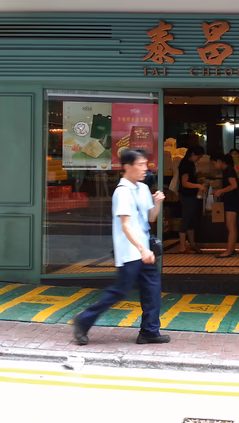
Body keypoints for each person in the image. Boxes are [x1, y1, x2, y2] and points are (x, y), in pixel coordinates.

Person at [72, 148, 169, 345]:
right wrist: (142, 249)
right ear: (127, 167)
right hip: (130, 252)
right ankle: (83, 320)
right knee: (119, 291)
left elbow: (151, 218)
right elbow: (126, 226)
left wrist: (157, 202)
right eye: (141, 165)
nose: (145, 169)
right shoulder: (121, 193)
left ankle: (149, 331)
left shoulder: (142, 189)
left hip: (145, 251)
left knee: (153, 290)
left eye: (145, 164)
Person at [178, 146, 206, 254]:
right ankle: (182, 247)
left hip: (191, 195)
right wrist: (198, 186)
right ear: (193, 154)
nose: (198, 159)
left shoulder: (190, 164)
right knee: (186, 218)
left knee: (191, 219)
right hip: (186, 195)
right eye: (198, 157)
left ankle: (192, 244)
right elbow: (184, 183)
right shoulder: (185, 164)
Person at [211, 152, 239, 258]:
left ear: (219, 161)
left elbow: (234, 185)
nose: (214, 165)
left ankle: (229, 250)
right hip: (231, 199)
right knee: (232, 226)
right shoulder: (228, 170)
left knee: (230, 226)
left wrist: (221, 191)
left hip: (231, 199)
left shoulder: (229, 170)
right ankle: (231, 248)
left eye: (214, 163)